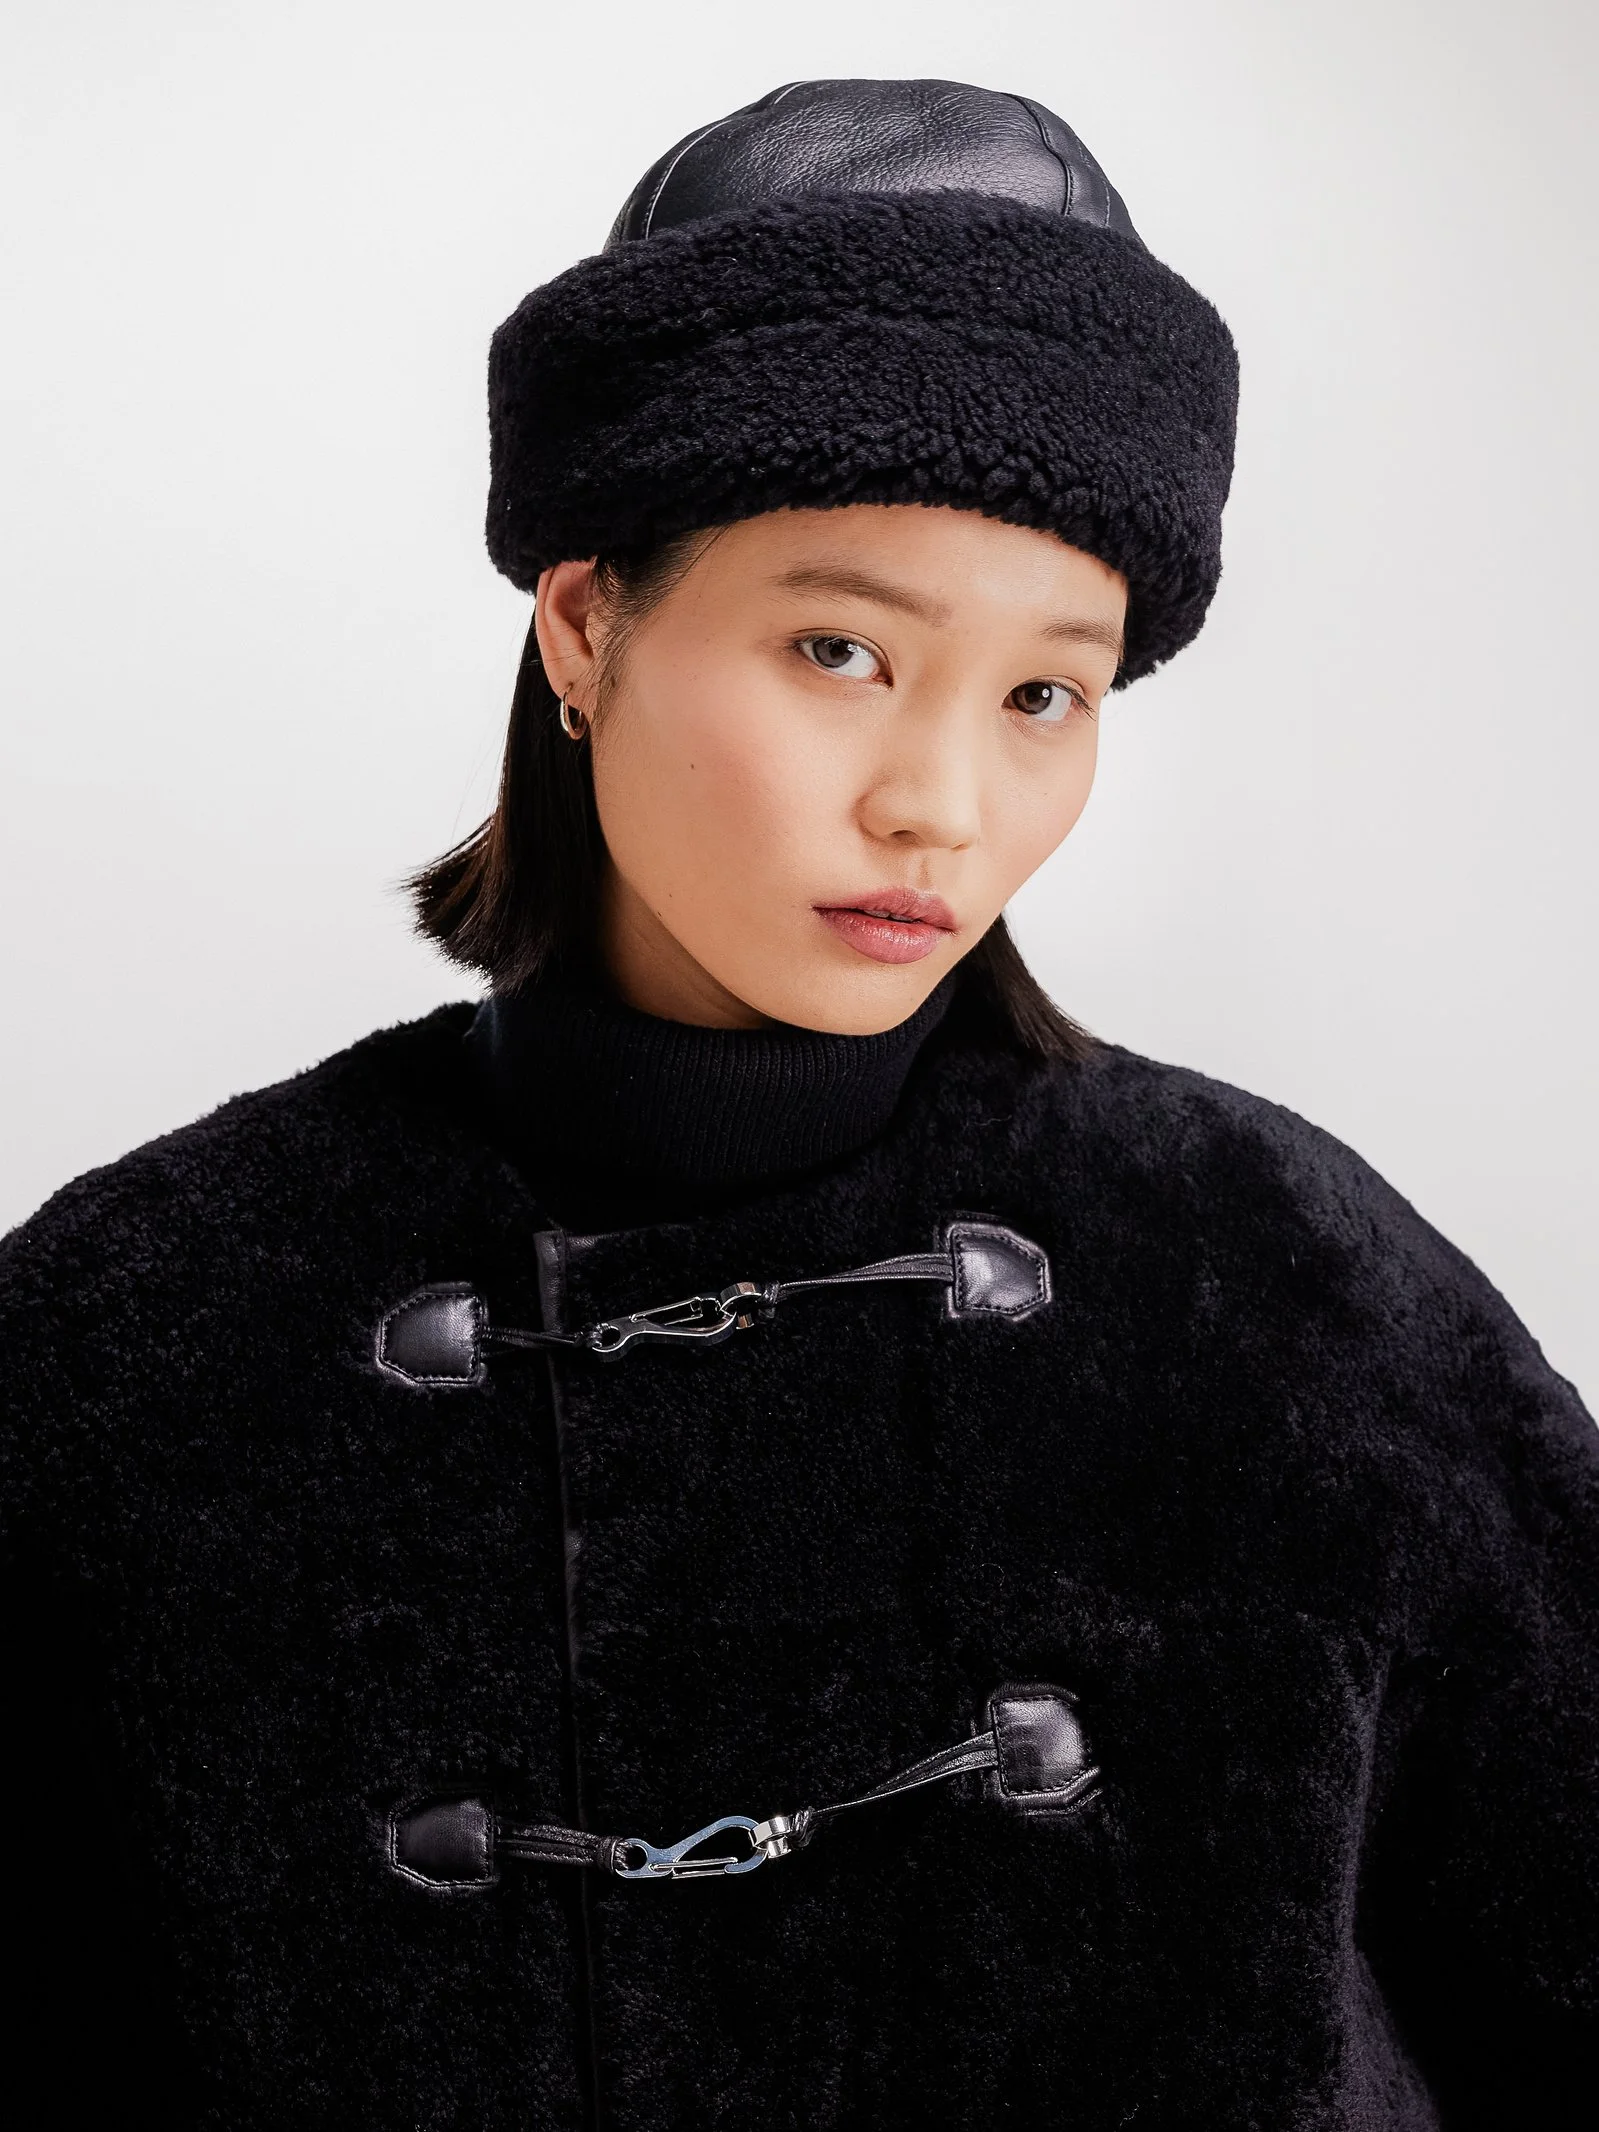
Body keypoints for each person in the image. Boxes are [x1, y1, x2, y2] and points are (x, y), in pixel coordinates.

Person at [1, 76, 1594, 2132]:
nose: (943, 798)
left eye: (1044, 693)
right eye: (840, 646)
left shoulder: (1282, 1285)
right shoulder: (142, 1334)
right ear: (586, 624)